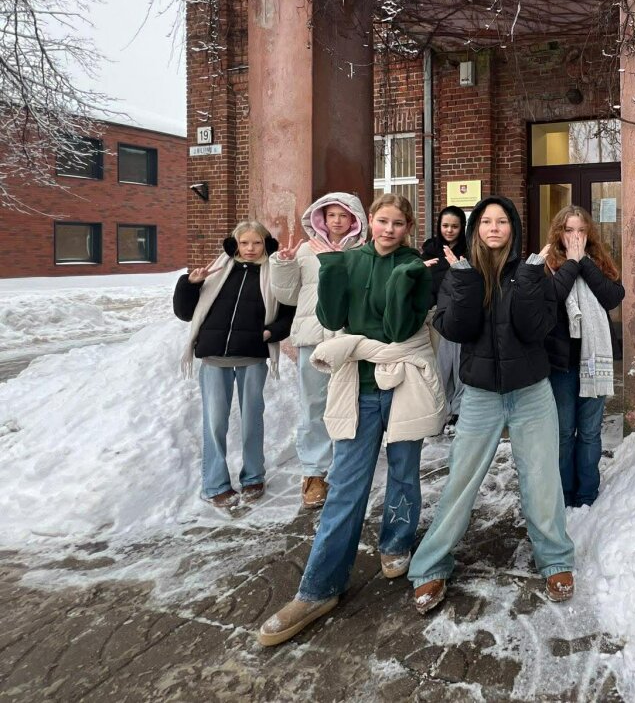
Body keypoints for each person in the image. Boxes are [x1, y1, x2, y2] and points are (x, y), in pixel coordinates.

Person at [258, 194, 445, 646]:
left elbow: (400, 330)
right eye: (383, 221)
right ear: (371, 222)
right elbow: (331, 317)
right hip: (358, 387)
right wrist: (332, 269)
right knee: (345, 483)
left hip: (402, 383)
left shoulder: (415, 267)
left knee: (404, 471)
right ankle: (318, 587)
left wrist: (403, 280)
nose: (389, 230)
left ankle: (396, 542)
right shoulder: (349, 260)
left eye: (398, 223)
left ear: (408, 227)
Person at [408, 196, 574, 615]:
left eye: (502, 221)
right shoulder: (460, 274)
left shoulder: (530, 272)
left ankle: (555, 558)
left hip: (531, 391)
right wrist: (464, 282)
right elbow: (455, 328)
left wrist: (532, 279)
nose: (494, 228)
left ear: (513, 228)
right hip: (480, 394)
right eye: (486, 221)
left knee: (542, 478)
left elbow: (535, 329)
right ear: (476, 230)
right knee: (461, 479)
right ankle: (430, 564)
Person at [174, 221, 295, 510]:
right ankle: (215, 483)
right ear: (235, 244)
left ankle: (253, 477)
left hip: (252, 356)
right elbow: (185, 313)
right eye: (244, 243)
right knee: (215, 422)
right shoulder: (218, 271)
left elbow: (288, 313)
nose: (250, 249)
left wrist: (269, 333)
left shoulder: (273, 272)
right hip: (214, 357)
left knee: (252, 420)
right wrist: (190, 285)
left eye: (257, 243)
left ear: (266, 245)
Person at [270, 193, 370, 509]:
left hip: (347, 339)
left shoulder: (363, 252)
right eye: (331, 215)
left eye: (343, 215)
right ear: (321, 219)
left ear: (354, 220)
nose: (337, 221)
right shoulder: (305, 250)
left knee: (348, 403)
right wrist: (283, 264)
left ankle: (344, 465)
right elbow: (287, 295)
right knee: (313, 403)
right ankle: (314, 471)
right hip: (313, 337)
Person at [542, 205, 624, 508]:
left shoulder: (598, 261)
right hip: (560, 364)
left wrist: (583, 263)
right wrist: (571, 264)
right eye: (569, 230)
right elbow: (548, 300)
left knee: (589, 432)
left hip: (594, 360)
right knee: (564, 433)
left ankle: (587, 493)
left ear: (589, 233)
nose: (575, 236)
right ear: (558, 233)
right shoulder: (546, 264)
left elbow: (613, 297)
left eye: (581, 230)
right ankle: (564, 493)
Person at [420, 205, 468, 426]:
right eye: (445, 225)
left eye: (454, 226)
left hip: (461, 315)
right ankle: (441, 408)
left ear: (462, 227)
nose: (449, 230)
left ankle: (458, 408)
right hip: (437, 316)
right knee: (440, 365)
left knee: (460, 365)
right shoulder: (430, 250)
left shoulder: (469, 250)